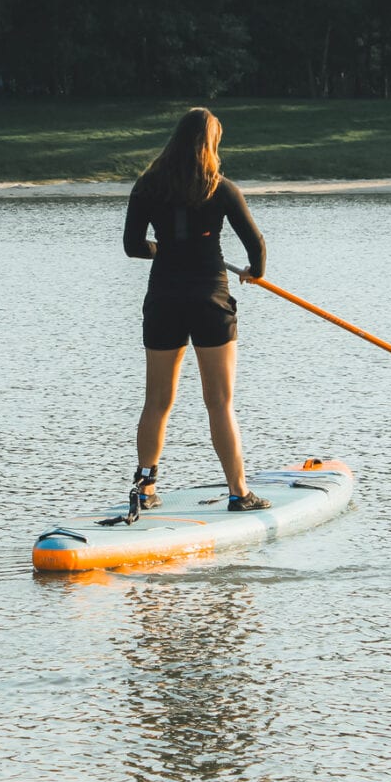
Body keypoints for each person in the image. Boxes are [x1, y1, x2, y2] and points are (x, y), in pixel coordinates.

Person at [122, 107, 271, 515]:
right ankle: (239, 493)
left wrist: (163, 249)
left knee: (157, 402)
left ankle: (145, 489)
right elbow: (256, 246)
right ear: (211, 145)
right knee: (219, 403)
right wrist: (254, 273)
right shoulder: (222, 189)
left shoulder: (147, 185)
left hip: (164, 301)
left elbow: (133, 246)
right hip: (210, 301)